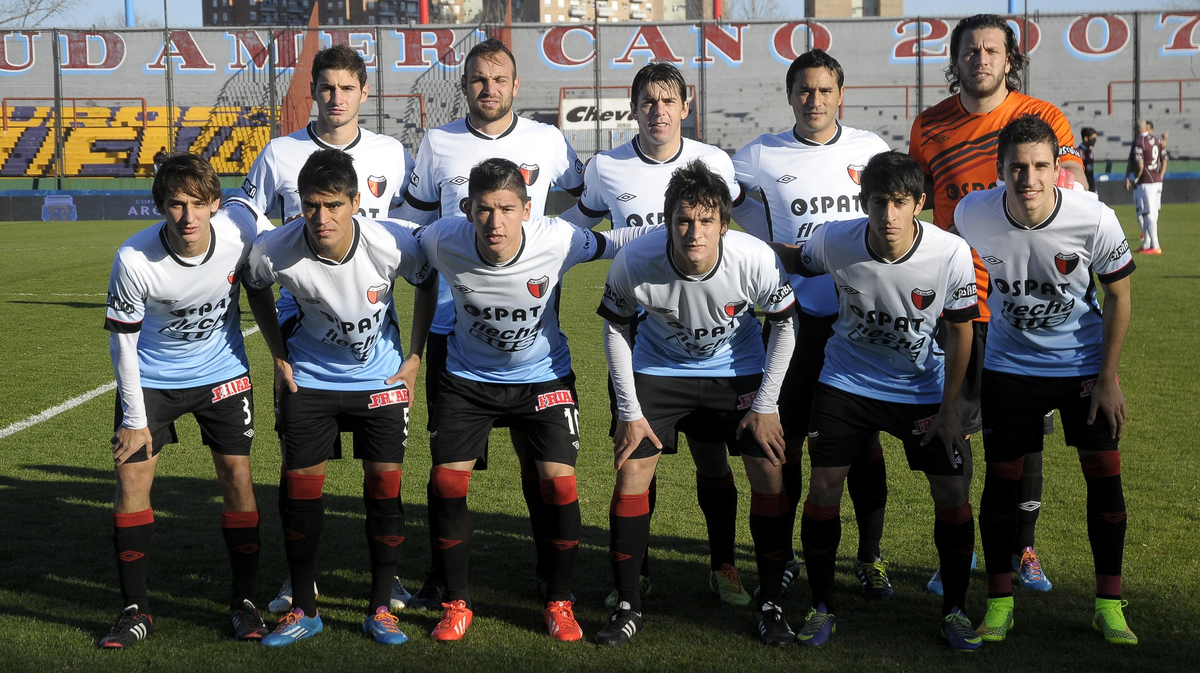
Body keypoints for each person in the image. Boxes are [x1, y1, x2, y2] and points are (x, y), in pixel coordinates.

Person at [409, 158, 652, 642]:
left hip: (543, 379)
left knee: (559, 485)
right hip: (467, 379)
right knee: (446, 481)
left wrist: (685, 232)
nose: (494, 222)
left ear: (526, 210)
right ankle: (456, 602)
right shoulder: (441, 239)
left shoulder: (557, 239)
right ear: (467, 209)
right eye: (484, 209)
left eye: (506, 209)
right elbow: (390, 240)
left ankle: (559, 601)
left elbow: (615, 240)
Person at [394, 36, 585, 610]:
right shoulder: (438, 142)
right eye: (478, 79)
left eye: (499, 79)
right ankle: (443, 579)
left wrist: (545, 255)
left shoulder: (548, 140)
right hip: (451, 334)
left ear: (516, 85)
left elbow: (584, 202)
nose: (489, 88)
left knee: (538, 462)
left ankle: (549, 575)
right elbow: (414, 224)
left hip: (529, 327)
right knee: (449, 471)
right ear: (464, 85)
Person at [771, 150, 982, 651]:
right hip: (847, 381)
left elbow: (961, 332)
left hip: (921, 389)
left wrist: (950, 411)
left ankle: (955, 611)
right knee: (823, 487)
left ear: (919, 204)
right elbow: (796, 259)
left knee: (952, 493)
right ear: (863, 202)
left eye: (900, 202)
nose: (888, 214)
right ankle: (821, 607)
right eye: (878, 202)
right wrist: (734, 246)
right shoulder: (834, 239)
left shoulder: (951, 253)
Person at [561, 61, 753, 608]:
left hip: (711, 343)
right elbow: (577, 228)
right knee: (637, 460)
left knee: (712, 460)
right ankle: (636, 572)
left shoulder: (714, 162)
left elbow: (741, 233)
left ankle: (723, 566)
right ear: (634, 108)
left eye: (669, 101)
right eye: (648, 101)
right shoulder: (607, 167)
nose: (658, 111)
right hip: (640, 345)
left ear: (686, 107)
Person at [908, 13, 1085, 593]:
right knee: (951, 430)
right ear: (955, 60)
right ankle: (957, 555)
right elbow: (917, 207)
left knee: (1023, 440)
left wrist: (1068, 182)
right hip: (957, 306)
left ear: (1010, 59)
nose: (980, 59)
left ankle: (1022, 549)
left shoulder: (1042, 118)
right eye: (970, 50)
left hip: (1024, 308)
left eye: (991, 50)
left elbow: (1073, 180)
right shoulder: (929, 126)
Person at [240, 43, 416, 614]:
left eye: (346, 88)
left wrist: (415, 352)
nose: (336, 98)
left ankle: (386, 583)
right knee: (299, 475)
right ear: (312, 92)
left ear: (364, 92)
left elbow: (416, 240)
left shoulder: (391, 154)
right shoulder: (279, 153)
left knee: (383, 480)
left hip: (373, 327)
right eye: (326, 88)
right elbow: (246, 218)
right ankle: (299, 583)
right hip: (306, 332)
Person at [597, 160, 799, 647]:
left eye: (706, 221)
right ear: (667, 221)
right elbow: (615, 329)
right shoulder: (635, 260)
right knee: (631, 472)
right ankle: (628, 603)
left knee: (767, 471)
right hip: (659, 370)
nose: (694, 232)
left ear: (724, 224)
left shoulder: (754, 258)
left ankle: (767, 600)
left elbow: (786, 325)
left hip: (736, 371)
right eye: (683, 220)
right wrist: (629, 412)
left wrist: (767, 404)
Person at [244, 148, 438, 647]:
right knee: (300, 494)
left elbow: (427, 282)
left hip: (380, 381)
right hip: (309, 381)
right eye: (311, 205)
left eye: (333, 205)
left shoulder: (392, 243)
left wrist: (414, 356)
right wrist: (278, 356)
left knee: (385, 493)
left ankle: (380, 608)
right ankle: (304, 610)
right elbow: (255, 287)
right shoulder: (274, 249)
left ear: (355, 203)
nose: (321, 217)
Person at [956, 114, 1136, 646]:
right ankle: (999, 605)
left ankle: (1109, 606)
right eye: (1017, 167)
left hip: (1082, 369)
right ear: (999, 169)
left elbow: (1120, 296)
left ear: (1058, 168)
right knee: (1000, 485)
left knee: (1105, 481)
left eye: (1040, 166)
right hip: (1009, 369)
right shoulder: (972, 213)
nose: (1028, 178)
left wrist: (1108, 377)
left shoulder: (1093, 218)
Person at [732, 48, 895, 601]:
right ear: (790, 95)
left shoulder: (870, 149)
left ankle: (870, 558)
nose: (815, 100)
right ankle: (783, 559)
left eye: (825, 90)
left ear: (841, 95)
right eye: (804, 89)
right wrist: (769, 242)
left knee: (864, 443)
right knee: (786, 442)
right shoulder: (760, 154)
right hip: (792, 322)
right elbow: (730, 201)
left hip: (859, 320)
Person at [100, 153, 276, 647]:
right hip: (151, 380)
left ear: (216, 203)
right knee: (131, 480)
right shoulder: (134, 259)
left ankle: (245, 603)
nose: (188, 216)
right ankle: (134, 610)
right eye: (177, 204)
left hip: (222, 374)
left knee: (237, 477)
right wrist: (135, 419)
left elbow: (282, 240)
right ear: (160, 205)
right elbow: (122, 345)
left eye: (199, 204)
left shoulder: (241, 227)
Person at [1126, 118, 1165, 254]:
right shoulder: (1156, 139)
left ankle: (1155, 245)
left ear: (1137, 129)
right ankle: (1147, 243)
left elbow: (1140, 165)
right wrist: (1161, 175)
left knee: (1147, 213)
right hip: (1157, 180)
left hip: (1146, 181)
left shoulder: (1139, 142)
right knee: (1153, 212)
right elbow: (1164, 158)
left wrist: (1135, 178)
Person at [1078, 127, 1097, 192]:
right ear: (1086, 138)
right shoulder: (1079, 153)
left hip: (1091, 187)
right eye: (1093, 138)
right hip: (1083, 189)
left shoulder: (1090, 152)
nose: (1095, 140)